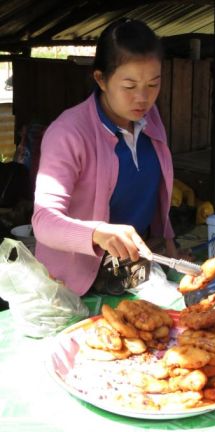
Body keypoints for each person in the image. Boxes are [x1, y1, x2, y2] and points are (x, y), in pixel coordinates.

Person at [32, 19, 179, 296]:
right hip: (75, 283)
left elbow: (154, 194)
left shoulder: (149, 119)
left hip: (131, 268)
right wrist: (97, 233)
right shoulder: (68, 133)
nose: (143, 98)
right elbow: (43, 221)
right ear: (101, 79)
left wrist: (168, 243)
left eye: (153, 84)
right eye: (129, 86)